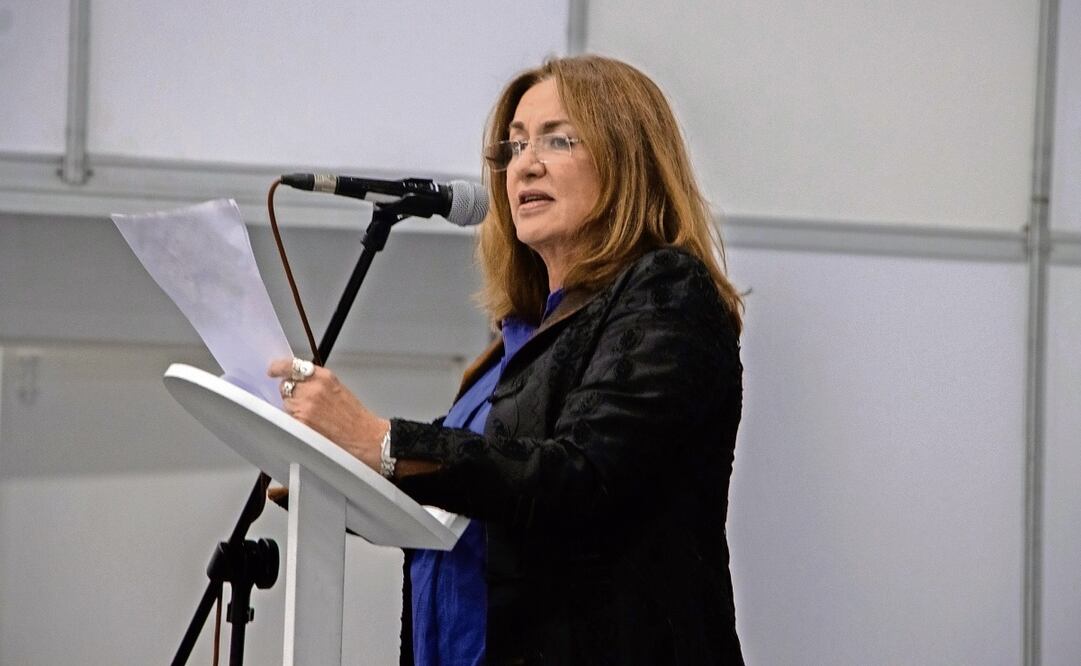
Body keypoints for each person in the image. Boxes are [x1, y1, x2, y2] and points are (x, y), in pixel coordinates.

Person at [269, 55, 745, 665]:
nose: (527, 163)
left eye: (559, 139)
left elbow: (581, 479)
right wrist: (340, 476)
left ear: (629, 158)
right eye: (515, 146)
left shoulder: (666, 292)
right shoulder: (515, 340)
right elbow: (472, 498)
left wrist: (381, 440)